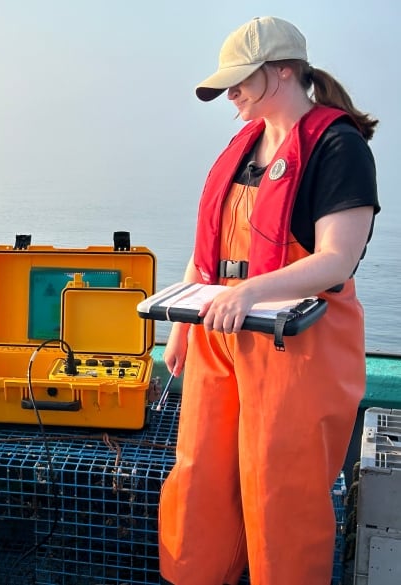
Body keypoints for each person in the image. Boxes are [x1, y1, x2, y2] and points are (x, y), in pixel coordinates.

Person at [157, 17, 380, 585]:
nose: (229, 94)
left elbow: (337, 260)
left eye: (240, 81)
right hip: (219, 331)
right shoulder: (243, 146)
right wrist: (181, 329)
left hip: (297, 345)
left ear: (283, 71)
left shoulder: (338, 145)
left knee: (281, 493)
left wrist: (252, 291)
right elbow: (207, 250)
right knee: (200, 477)